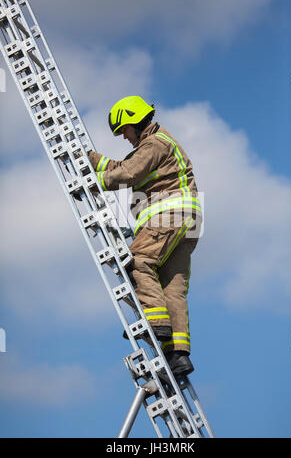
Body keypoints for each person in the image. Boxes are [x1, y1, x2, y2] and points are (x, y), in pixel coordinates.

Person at [88, 96, 202, 377]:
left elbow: (127, 173)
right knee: (172, 288)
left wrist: (90, 183)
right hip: (187, 221)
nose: (124, 137)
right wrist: (89, 159)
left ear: (136, 122)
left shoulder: (154, 143)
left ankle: (156, 324)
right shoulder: (155, 144)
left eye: (124, 130)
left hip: (169, 215)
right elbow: (121, 166)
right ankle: (178, 355)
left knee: (138, 261)